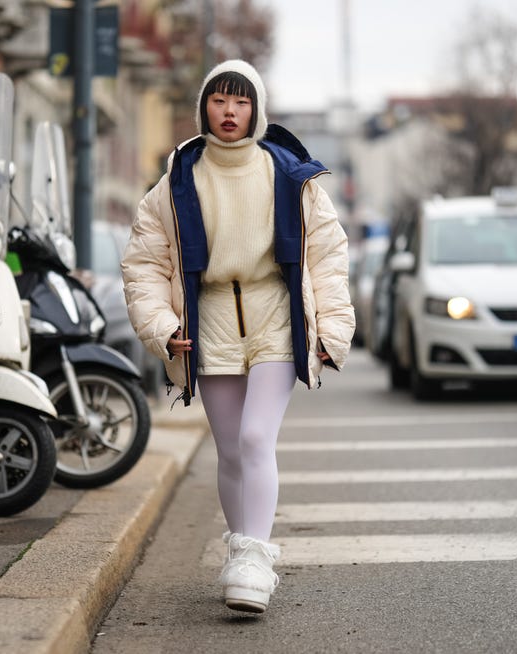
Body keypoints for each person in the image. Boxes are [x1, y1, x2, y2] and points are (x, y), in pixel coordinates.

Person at [121, 59, 354, 614]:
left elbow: (327, 254)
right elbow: (144, 261)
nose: (230, 112)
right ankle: (239, 552)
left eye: (242, 101)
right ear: (205, 106)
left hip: (278, 315)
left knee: (254, 440)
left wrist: (333, 329)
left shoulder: (288, 173)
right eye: (220, 100)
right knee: (229, 452)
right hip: (210, 322)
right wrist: (163, 326)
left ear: (258, 109)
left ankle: (254, 559)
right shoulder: (179, 175)